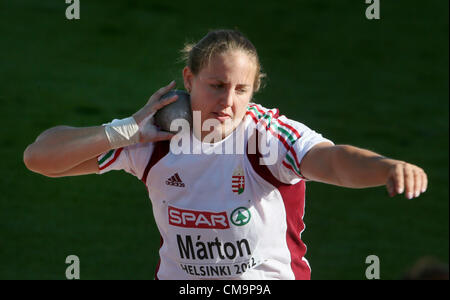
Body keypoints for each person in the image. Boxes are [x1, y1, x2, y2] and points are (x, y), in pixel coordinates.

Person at [23, 29, 428, 280]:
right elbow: (40, 159)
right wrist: (123, 132)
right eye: (216, 85)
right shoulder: (152, 135)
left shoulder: (269, 137)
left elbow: (335, 161)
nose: (227, 102)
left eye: (241, 90)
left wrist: (384, 167)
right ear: (189, 78)